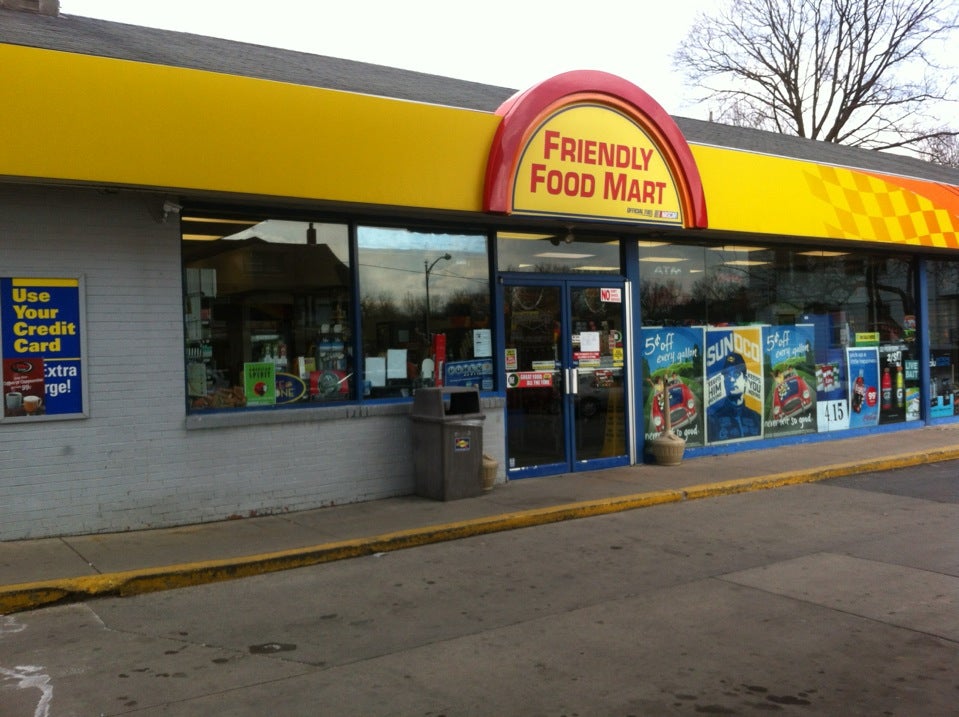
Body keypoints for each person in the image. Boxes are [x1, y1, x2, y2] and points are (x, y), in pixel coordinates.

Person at [708, 352, 761, 442]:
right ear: (724, 382)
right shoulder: (714, 419)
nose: (731, 379)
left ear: (745, 380)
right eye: (727, 375)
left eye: (736, 374)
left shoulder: (756, 418)